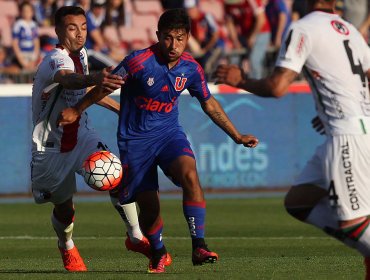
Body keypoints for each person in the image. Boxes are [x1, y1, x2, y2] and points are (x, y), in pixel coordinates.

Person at [57, 8, 259, 274]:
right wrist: (76, 110)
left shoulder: (191, 68)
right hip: (135, 142)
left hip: (168, 135)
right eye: (167, 37)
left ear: (187, 37)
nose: (173, 45)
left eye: (179, 38)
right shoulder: (138, 62)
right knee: (150, 208)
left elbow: (208, 103)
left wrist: (236, 135)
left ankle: (199, 246)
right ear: (157, 35)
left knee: (190, 175)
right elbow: (105, 87)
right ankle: (158, 251)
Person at [214, 0, 370, 277]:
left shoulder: (303, 28)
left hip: (347, 135)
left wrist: (240, 81)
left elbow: (277, 87)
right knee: (299, 202)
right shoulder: (350, 30)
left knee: (353, 224)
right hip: (356, 127)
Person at [31, 6, 150, 272]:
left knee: (114, 173)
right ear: (59, 31)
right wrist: (95, 76)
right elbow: (69, 80)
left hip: (81, 134)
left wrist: (120, 109)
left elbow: (82, 88)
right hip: (51, 147)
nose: (80, 34)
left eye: (84, 27)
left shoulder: (81, 54)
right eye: (72, 28)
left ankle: (135, 235)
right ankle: (66, 245)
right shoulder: (55, 59)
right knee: (65, 210)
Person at [11, 1, 40, 71]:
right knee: (19, 71)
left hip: (31, 54)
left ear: (32, 12)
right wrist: (21, 60)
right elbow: (15, 43)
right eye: (24, 11)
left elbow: (36, 42)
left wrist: (34, 58)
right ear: (21, 12)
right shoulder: (18, 25)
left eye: (29, 10)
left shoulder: (34, 25)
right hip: (22, 54)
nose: (27, 13)